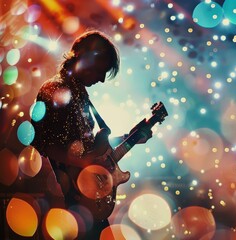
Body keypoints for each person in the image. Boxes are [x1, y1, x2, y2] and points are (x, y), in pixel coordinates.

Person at [31, 30, 152, 239]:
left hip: (86, 199)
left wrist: (130, 138)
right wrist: (84, 162)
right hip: (74, 200)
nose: (103, 79)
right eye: (100, 70)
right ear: (84, 58)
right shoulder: (55, 88)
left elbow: (90, 145)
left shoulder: (79, 92)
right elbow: (43, 141)